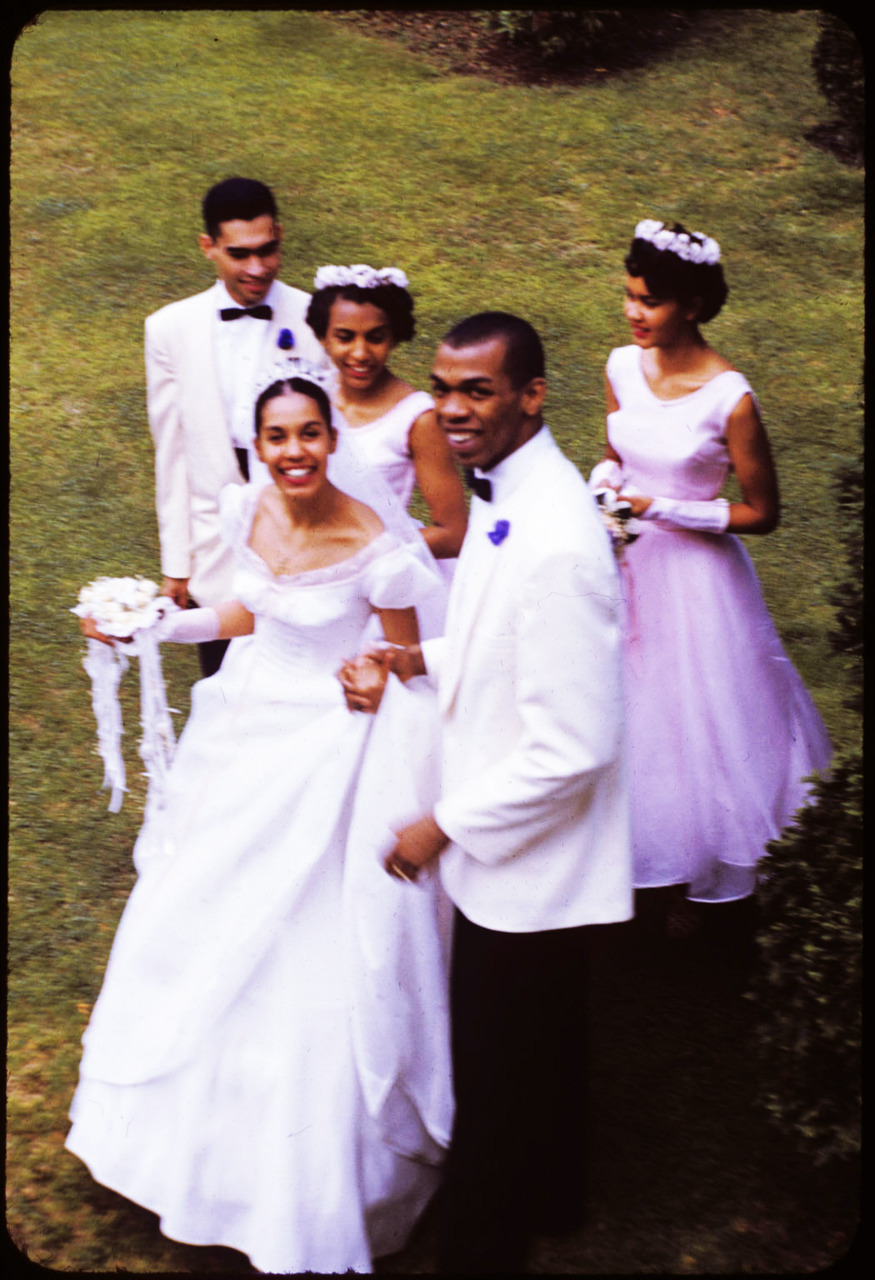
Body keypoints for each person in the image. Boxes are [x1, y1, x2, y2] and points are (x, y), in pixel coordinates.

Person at [66, 365, 453, 1274]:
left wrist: (374, 675)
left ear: (332, 439)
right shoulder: (249, 511)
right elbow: (246, 612)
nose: (293, 454)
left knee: (306, 945)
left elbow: (406, 659)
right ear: (259, 445)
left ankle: (304, 1190)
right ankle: (164, 1152)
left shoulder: (380, 547)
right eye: (276, 438)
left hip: (331, 755)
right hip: (244, 741)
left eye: (308, 435)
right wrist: (154, 627)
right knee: (196, 911)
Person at [341, 313, 633, 1272]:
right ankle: (557, 1191)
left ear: (530, 396)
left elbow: (574, 746)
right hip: (524, 861)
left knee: (499, 1066)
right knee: (544, 1044)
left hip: (529, 861)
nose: (452, 410)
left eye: (476, 391)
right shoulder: (516, 493)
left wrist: (439, 828)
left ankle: (483, 1239)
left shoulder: (554, 537)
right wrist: (420, 654)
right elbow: (501, 634)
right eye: (443, 388)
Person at [589, 218, 832, 939]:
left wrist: (661, 508)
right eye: (629, 296)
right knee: (629, 712)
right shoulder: (619, 366)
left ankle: (695, 878)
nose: (633, 313)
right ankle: (628, 860)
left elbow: (762, 512)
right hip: (629, 567)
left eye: (650, 302)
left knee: (695, 724)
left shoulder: (730, 398)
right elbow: (614, 451)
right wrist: (602, 485)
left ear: (691, 305)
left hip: (699, 587)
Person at [145, 176, 326, 677]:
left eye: (268, 250)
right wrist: (176, 565)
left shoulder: (318, 316)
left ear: (280, 236)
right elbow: (172, 452)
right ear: (209, 247)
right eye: (240, 254)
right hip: (216, 552)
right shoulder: (168, 328)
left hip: (303, 542)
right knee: (224, 692)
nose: (257, 268)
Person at [306, 263, 467, 567]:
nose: (360, 353)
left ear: (394, 337)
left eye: (375, 337)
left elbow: (454, 534)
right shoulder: (313, 398)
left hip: (383, 573)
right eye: (345, 337)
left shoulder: (418, 418)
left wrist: (362, 550)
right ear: (323, 337)